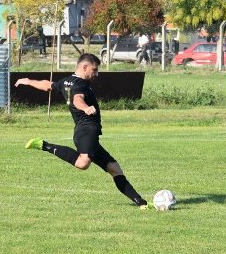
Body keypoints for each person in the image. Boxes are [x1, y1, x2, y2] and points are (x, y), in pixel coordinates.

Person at [16, 53, 148, 209]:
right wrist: (86, 108)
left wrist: (28, 81)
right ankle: (44, 145)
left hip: (84, 132)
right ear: (84, 67)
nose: (96, 74)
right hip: (87, 130)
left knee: (114, 168)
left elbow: (47, 85)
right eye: (94, 69)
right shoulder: (81, 85)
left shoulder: (66, 81)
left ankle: (142, 202)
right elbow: (77, 99)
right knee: (82, 163)